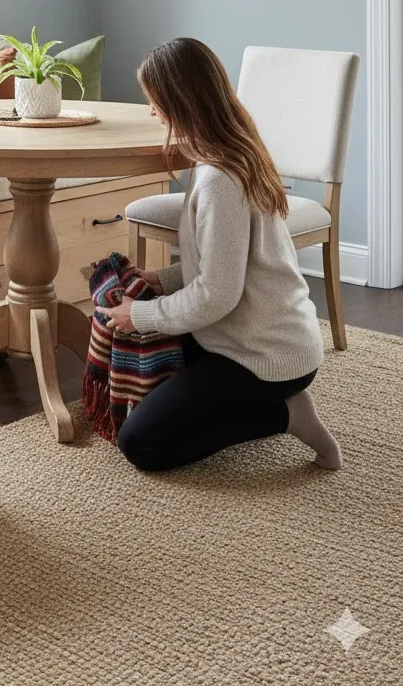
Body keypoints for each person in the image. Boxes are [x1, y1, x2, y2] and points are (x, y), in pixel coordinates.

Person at [97, 38, 343, 472]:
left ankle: (287, 414)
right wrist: (162, 281)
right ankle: (250, 401)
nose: (152, 111)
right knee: (152, 373)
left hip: (263, 355)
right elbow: (229, 263)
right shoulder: (229, 151)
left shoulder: (218, 180)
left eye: (154, 101)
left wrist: (141, 315)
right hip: (248, 336)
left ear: (178, 101)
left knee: (141, 443)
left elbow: (216, 295)